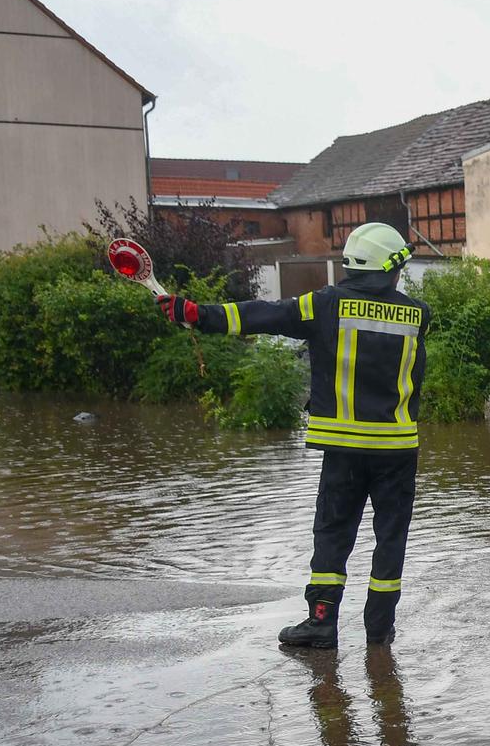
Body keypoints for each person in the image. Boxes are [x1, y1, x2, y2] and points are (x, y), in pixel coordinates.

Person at [156, 222, 430, 650]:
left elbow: (264, 314)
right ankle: (379, 630)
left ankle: (321, 623)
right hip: (396, 450)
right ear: (390, 268)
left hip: (343, 448)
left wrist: (197, 314)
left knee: (333, 536)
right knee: (391, 539)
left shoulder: (325, 304)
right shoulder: (418, 314)